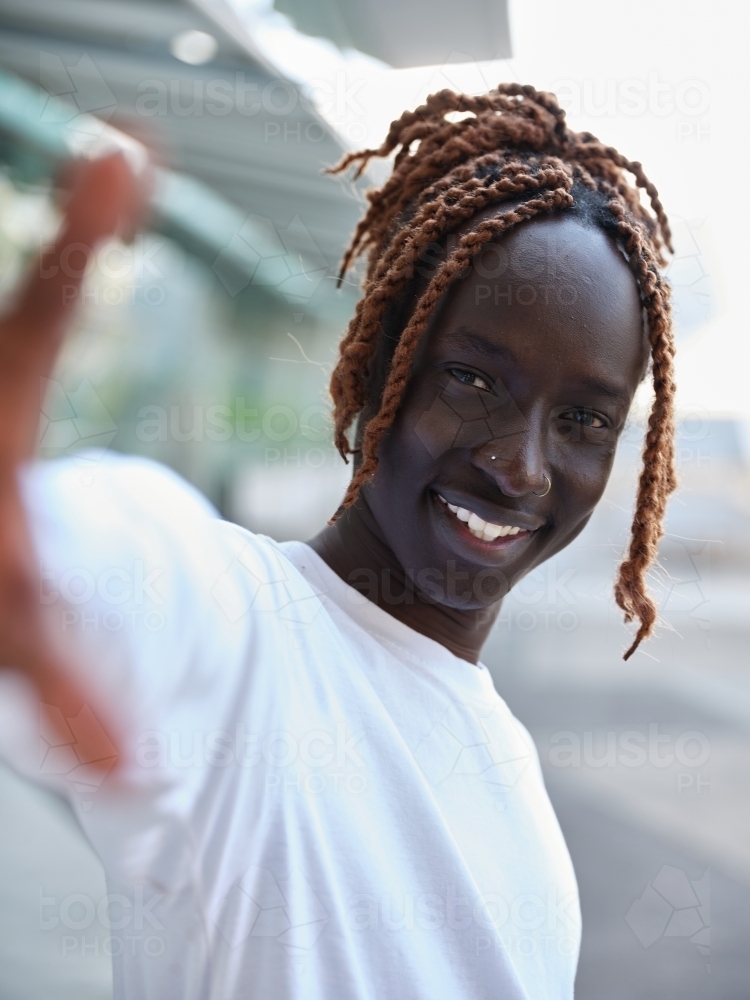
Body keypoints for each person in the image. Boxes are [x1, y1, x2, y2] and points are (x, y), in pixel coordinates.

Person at [0, 84, 675, 999]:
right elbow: (88, 561)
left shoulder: (521, 808)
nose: (522, 468)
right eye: (475, 379)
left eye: (585, 418)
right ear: (376, 365)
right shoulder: (237, 635)